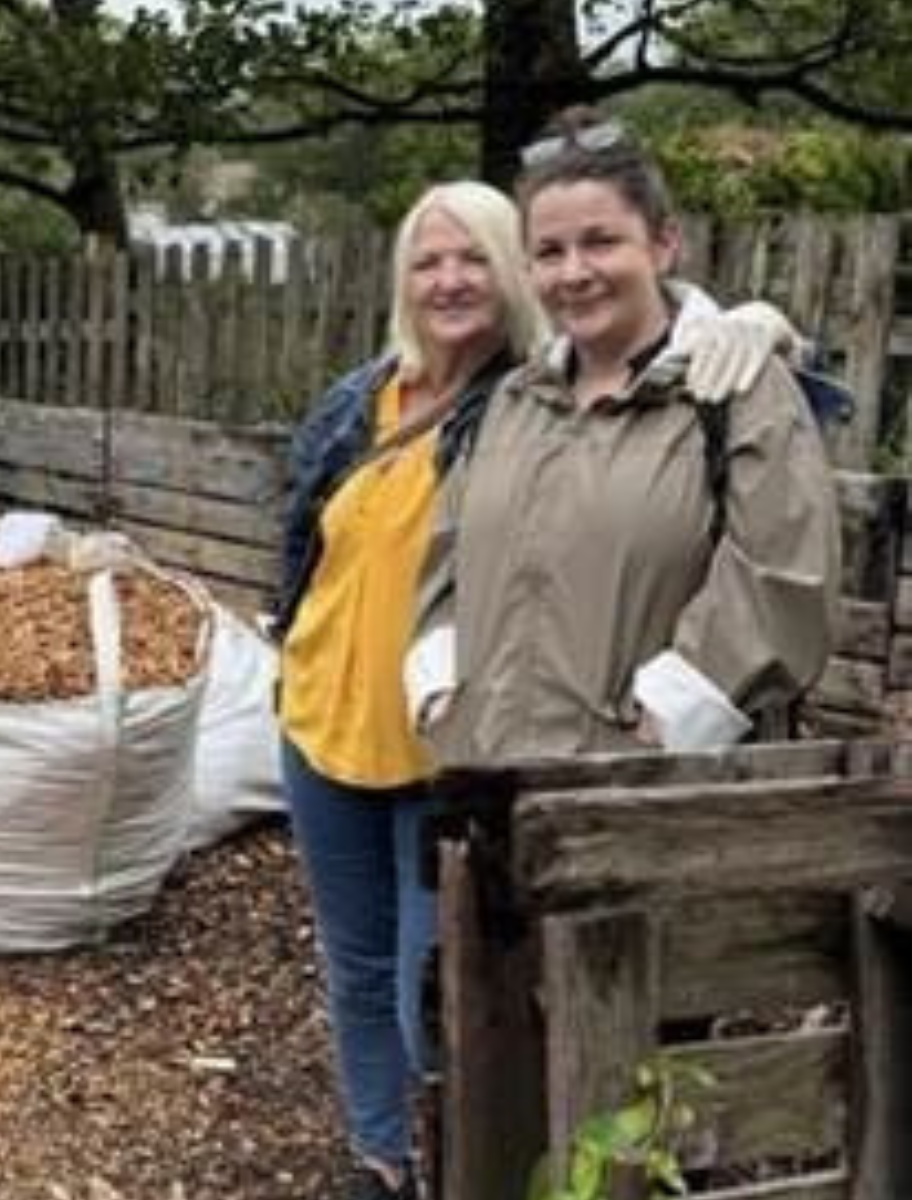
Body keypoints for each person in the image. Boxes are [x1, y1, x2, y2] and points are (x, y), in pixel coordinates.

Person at [270, 178, 793, 1200]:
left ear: (511, 270)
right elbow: (306, 546)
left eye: (473, 256)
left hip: (446, 747)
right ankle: (383, 1160)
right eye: (426, 261)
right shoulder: (361, 395)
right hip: (320, 722)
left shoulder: (531, 396)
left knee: (450, 991)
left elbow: (655, 347)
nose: (449, 279)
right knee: (359, 970)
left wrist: (761, 324)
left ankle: (462, 1153)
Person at [405, 111, 838, 766]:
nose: (574, 272)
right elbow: (445, 561)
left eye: (601, 241)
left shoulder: (737, 392)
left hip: (647, 807)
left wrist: (669, 720)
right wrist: (440, 689)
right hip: (491, 791)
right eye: (549, 252)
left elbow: (783, 579)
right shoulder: (511, 403)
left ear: (663, 244)